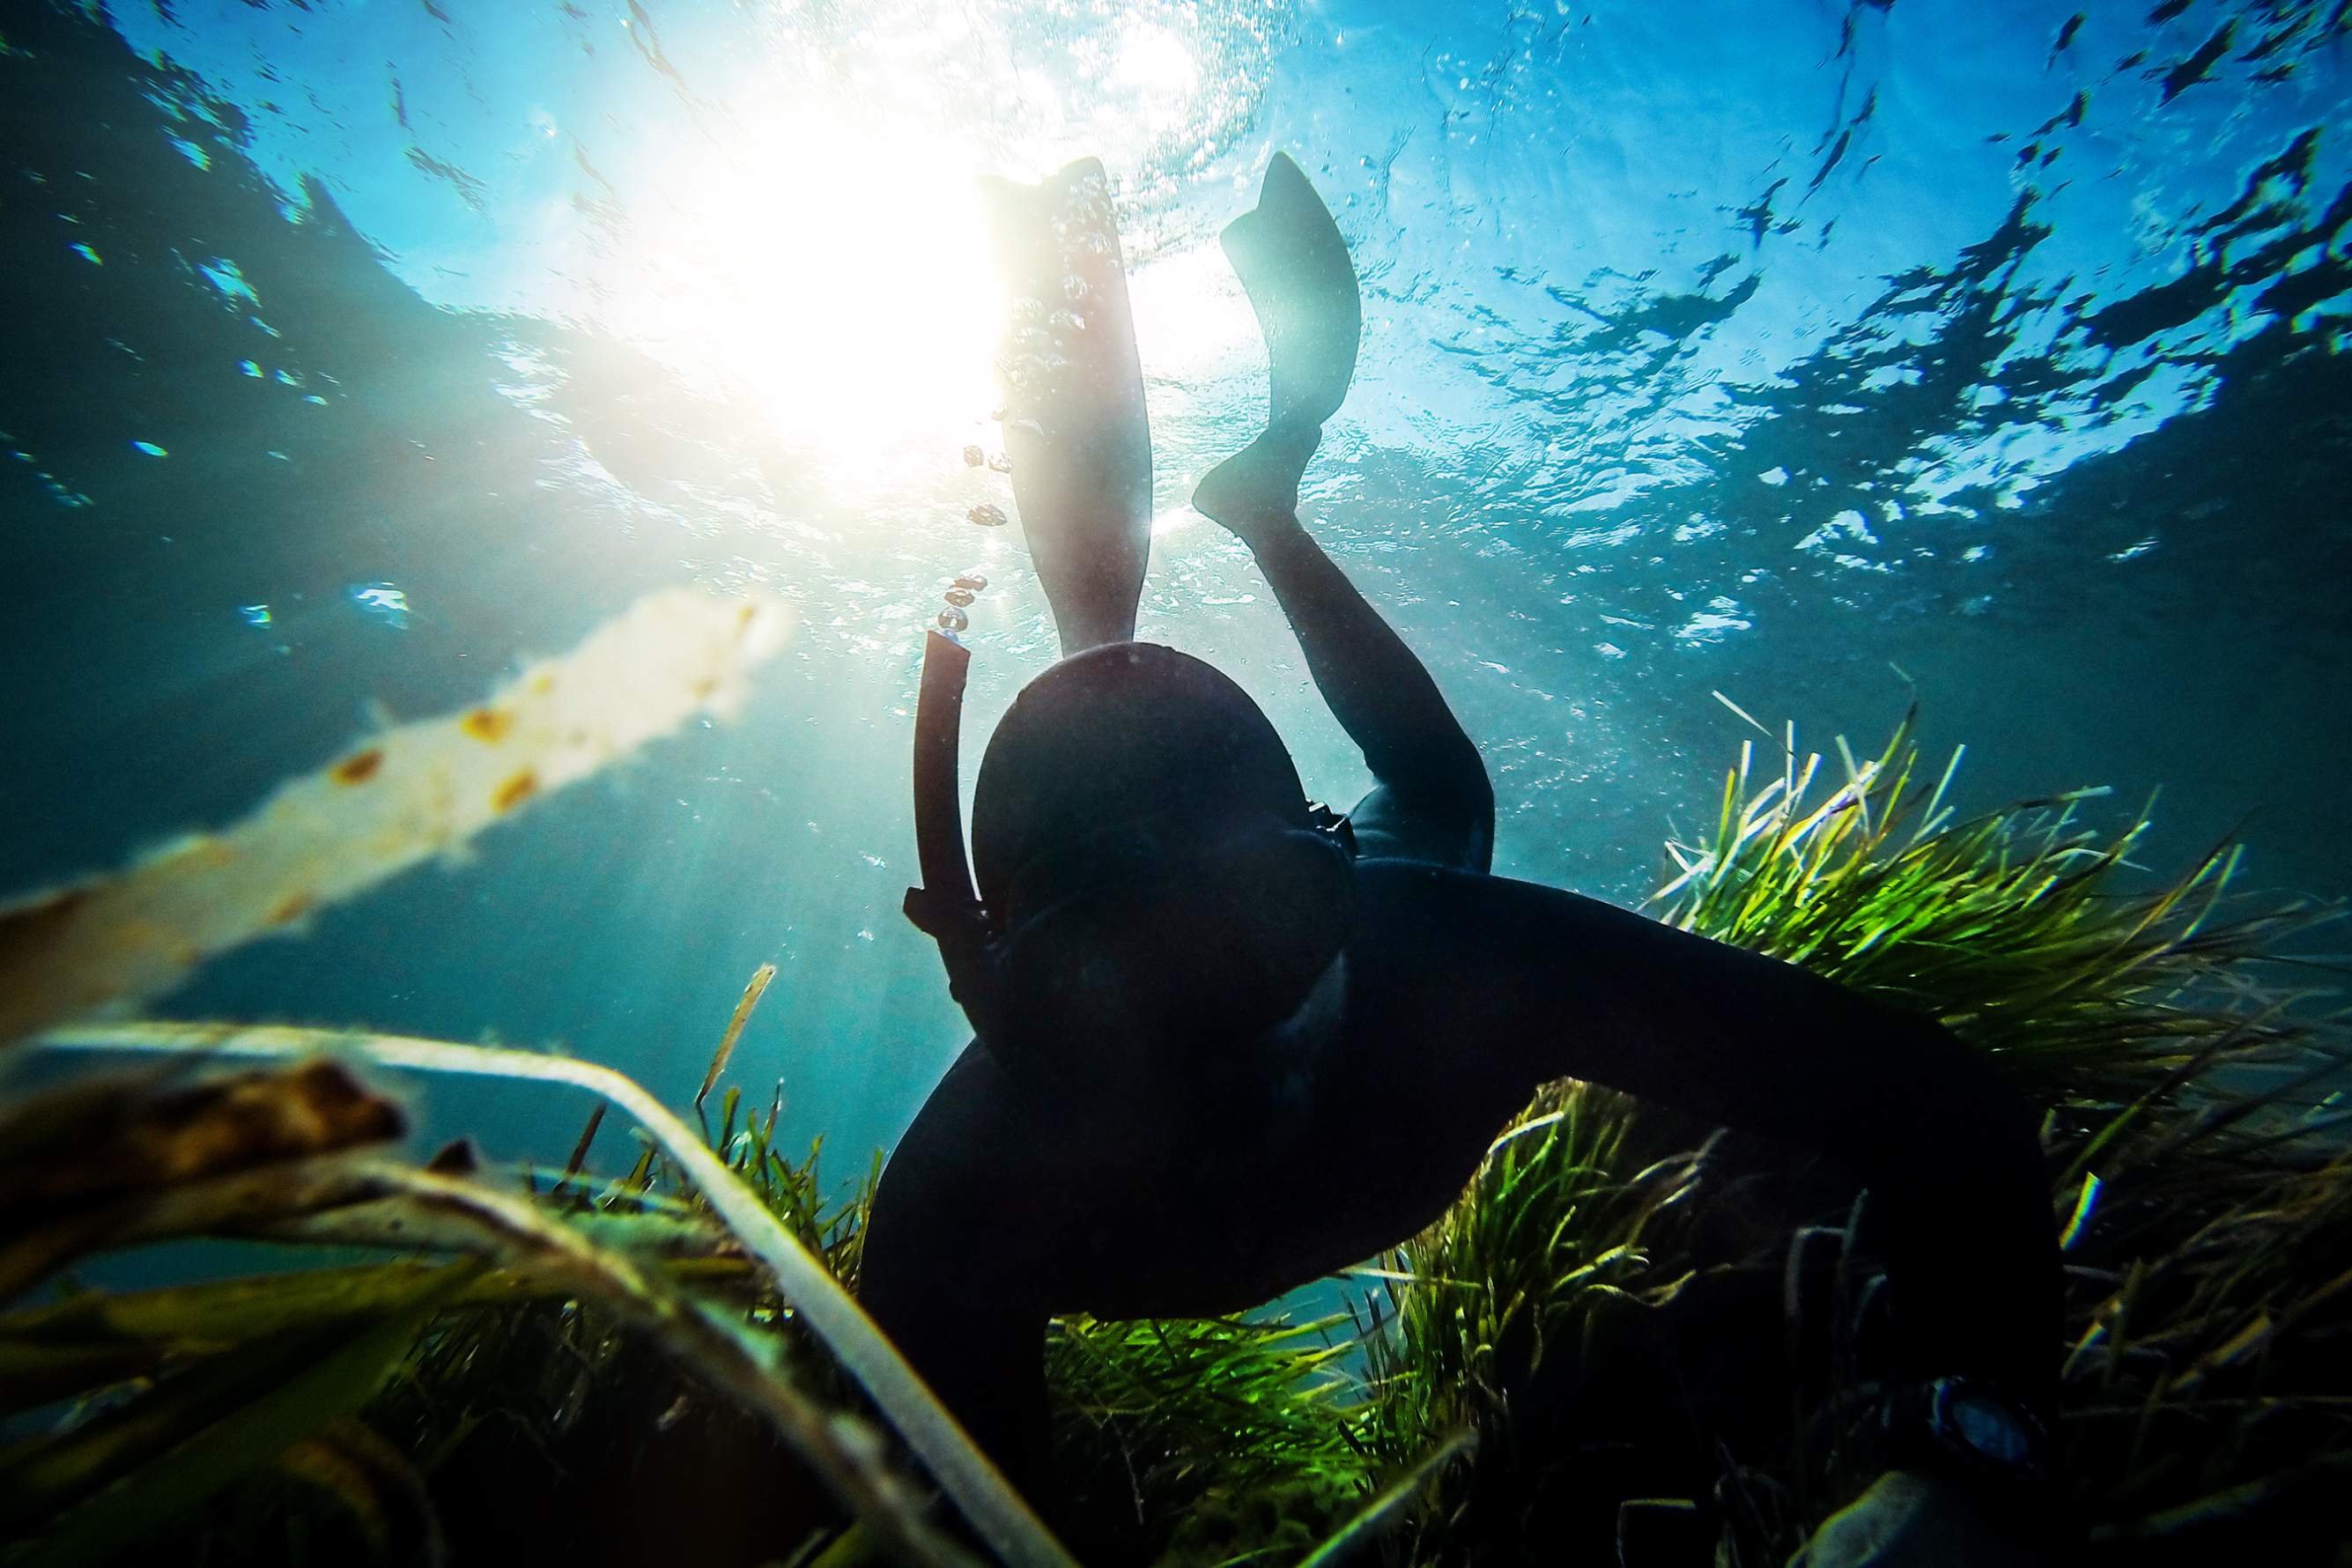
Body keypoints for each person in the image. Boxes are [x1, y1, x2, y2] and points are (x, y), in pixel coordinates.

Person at [862, 154, 2060, 1567]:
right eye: (1118, 977)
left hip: (1374, 902)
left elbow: (1940, 1110)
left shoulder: (1446, 953)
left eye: (1252, 930)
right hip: (1322, 902)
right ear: (991, 983)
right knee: (1405, 788)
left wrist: (1958, 1465)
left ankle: (1242, 529)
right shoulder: (959, 1210)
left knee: (1431, 797)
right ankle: (1203, 560)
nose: (1217, 1045)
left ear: (1327, 872)